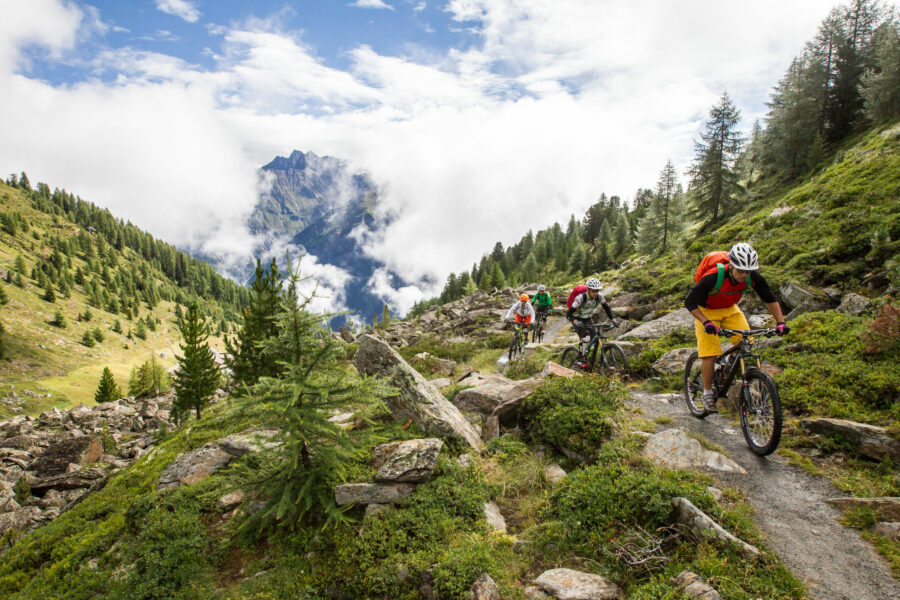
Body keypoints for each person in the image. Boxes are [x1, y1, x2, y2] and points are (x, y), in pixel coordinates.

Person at [684, 243, 788, 413]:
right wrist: (706, 322)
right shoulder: (713, 277)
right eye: (740, 270)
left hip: (730, 309)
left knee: (746, 341)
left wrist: (780, 322)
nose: (744, 275)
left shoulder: (751, 276)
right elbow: (689, 302)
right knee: (709, 353)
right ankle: (708, 393)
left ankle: (727, 365)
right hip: (707, 311)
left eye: (748, 271)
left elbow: (769, 297)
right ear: (731, 265)